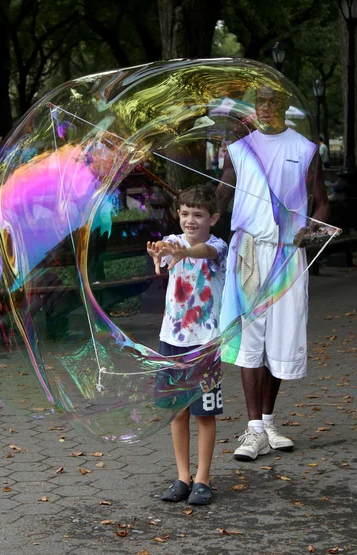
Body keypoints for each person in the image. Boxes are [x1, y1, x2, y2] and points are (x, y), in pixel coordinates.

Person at [217, 85, 329, 461]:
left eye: (272, 102)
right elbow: (222, 193)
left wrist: (312, 229)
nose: (265, 108)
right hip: (248, 250)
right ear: (254, 107)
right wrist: (195, 209)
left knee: (280, 340)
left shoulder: (305, 149)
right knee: (250, 340)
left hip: (287, 254)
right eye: (260, 102)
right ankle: (252, 430)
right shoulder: (239, 147)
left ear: (285, 106)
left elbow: (322, 202)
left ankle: (267, 423)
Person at [147, 184, 227, 505]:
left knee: (204, 414)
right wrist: (160, 253)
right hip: (172, 341)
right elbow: (167, 247)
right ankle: (183, 477)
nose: (190, 220)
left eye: (198, 214)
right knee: (177, 412)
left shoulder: (218, 246)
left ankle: (203, 479)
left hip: (205, 344)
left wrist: (181, 253)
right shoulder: (175, 241)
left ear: (213, 218)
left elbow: (204, 252)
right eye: (184, 214)